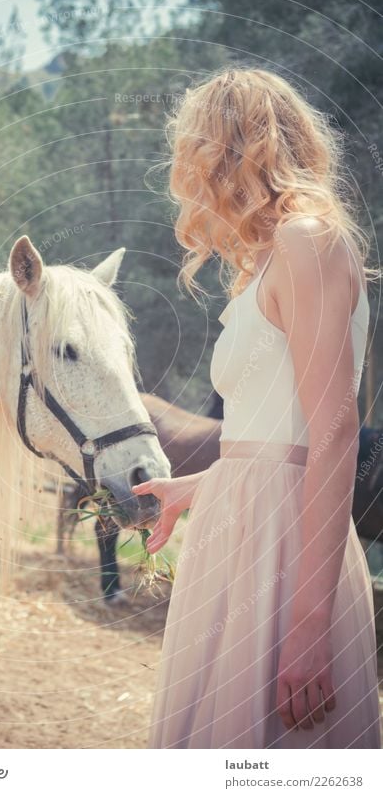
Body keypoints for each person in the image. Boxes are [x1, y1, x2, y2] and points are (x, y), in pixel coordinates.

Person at [132, 67, 381, 749]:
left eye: (196, 155)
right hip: (237, 537)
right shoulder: (272, 262)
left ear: (228, 153)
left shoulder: (309, 242)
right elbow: (276, 437)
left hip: (289, 552)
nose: (190, 181)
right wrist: (198, 483)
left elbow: (331, 431)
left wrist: (305, 624)